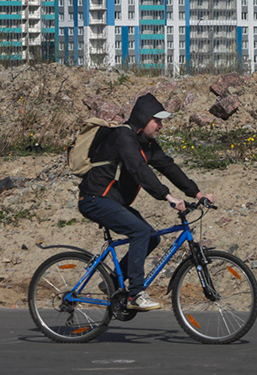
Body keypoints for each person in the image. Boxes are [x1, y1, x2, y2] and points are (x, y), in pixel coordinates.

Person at [77, 93, 213, 311]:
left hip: (112, 201)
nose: (160, 125)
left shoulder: (147, 144)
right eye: (156, 120)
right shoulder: (123, 136)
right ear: (143, 118)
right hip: (94, 199)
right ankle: (135, 294)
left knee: (151, 237)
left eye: (162, 121)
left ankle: (111, 282)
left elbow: (168, 167)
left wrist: (197, 193)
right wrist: (167, 196)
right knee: (141, 232)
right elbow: (138, 169)